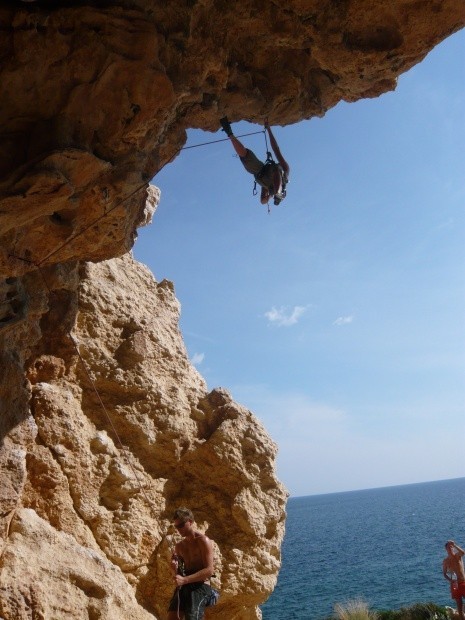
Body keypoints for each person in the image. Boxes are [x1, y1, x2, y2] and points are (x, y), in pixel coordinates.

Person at [220, 116, 290, 206]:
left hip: (259, 171)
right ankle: (228, 131)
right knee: (247, 155)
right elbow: (276, 149)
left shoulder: (268, 187)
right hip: (263, 170)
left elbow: (263, 201)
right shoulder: (285, 170)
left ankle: (228, 131)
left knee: (246, 155)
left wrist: (271, 195)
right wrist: (268, 129)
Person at [167, 507, 217, 620]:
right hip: (185, 585)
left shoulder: (203, 541)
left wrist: (184, 580)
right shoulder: (179, 546)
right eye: (176, 526)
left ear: (190, 522)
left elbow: (209, 570)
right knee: (172, 617)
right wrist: (173, 567)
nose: (178, 529)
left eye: (180, 526)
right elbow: (177, 573)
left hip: (201, 586)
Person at [443, 540, 465, 619]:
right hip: (454, 584)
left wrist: (455, 545)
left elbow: (463, 552)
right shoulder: (446, 561)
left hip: (463, 582)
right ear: (446, 549)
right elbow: (444, 573)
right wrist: (450, 580)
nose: (450, 548)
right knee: (459, 607)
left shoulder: (457, 556)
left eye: (451, 547)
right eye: (449, 547)